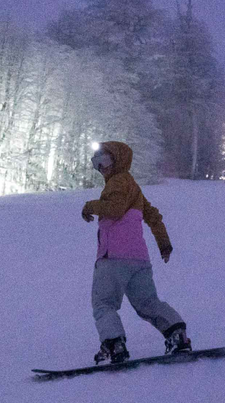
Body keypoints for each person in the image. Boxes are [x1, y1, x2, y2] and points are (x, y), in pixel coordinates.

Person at [81, 141, 190, 365]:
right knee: (147, 302)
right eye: (97, 163)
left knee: (104, 304)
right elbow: (152, 216)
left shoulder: (117, 182)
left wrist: (90, 206)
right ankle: (176, 334)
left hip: (113, 259)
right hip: (139, 260)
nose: (102, 167)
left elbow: (115, 210)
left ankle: (114, 344)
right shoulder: (134, 188)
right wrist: (164, 243)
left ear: (118, 160)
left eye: (105, 160)